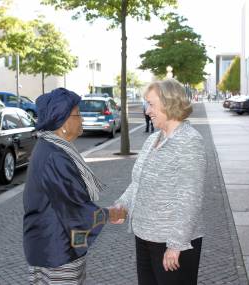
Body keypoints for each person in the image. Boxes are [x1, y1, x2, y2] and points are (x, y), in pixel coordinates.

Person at [23, 88, 124, 285]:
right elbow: (75, 209)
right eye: (78, 113)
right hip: (57, 251)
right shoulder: (56, 155)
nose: (82, 118)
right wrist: (110, 214)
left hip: (44, 243)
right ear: (63, 123)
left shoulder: (48, 147)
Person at [113, 79, 207, 285]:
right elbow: (138, 183)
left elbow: (190, 198)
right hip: (145, 237)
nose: (147, 111)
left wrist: (176, 245)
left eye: (151, 104)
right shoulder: (153, 139)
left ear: (170, 103)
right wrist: (122, 205)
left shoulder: (190, 142)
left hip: (171, 243)